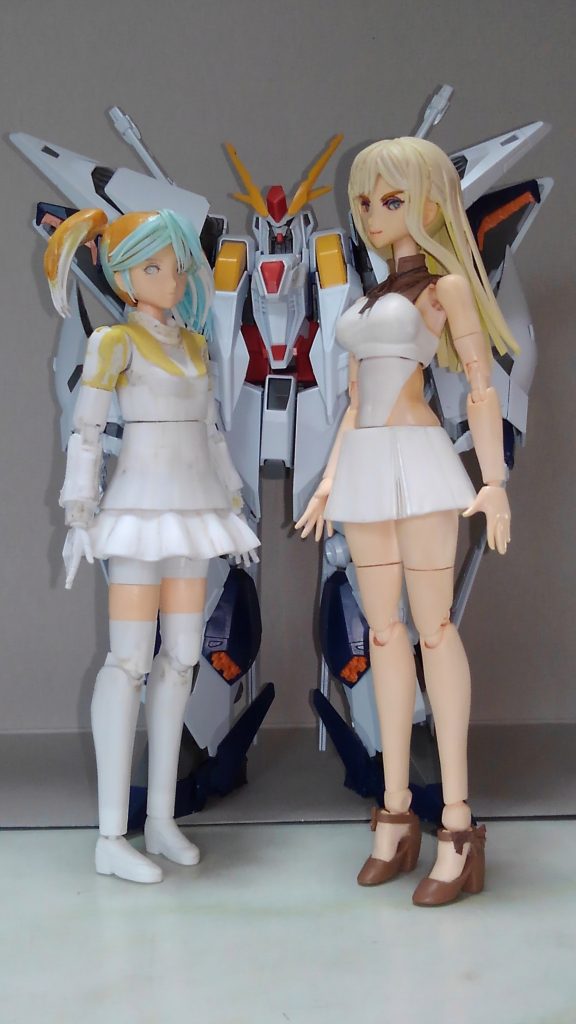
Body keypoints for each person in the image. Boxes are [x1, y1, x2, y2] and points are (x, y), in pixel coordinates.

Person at [296, 137, 516, 906]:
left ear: (428, 202)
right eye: (364, 201)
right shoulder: (369, 296)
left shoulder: (445, 286)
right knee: (382, 634)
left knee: (435, 631)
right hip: (364, 470)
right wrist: (329, 481)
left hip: (420, 464)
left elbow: (481, 385)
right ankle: (394, 812)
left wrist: (494, 481)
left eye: (391, 200)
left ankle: (456, 824)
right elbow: (356, 402)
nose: (372, 214)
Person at [45, 207, 259, 883]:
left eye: (175, 266)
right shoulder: (113, 341)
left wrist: (234, 504)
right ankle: (112, 834)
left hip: (193, 511)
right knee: (129, 660)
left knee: (184, 656)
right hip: (137, 511)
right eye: (152, 266)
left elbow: (213, 433)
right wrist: (79, 513)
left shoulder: (194, 344)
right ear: (122, 273)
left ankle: (162, 818)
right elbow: (87, 432)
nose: (170, 279)